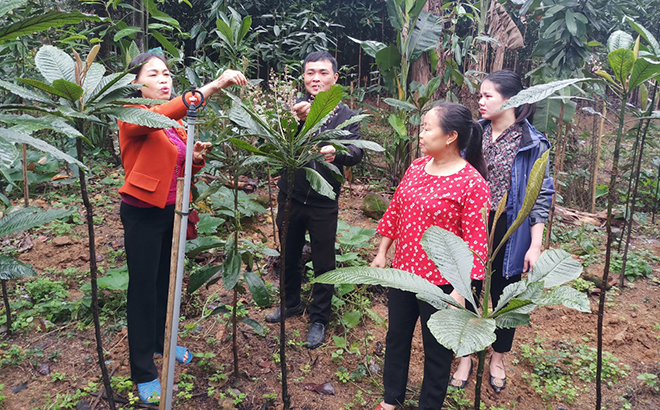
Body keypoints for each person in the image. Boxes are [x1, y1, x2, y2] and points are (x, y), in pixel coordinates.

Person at [117, 52, 247, 404]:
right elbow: (163, 116)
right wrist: (216, 85)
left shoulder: (173, 123)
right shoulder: (132, 116)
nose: (164, 79)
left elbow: (178, 165)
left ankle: (162, 341)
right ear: (135, 83)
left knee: (164, 283)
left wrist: (196, 155)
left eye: (168, 73)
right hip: (142, 214)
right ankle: (143, 369)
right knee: (142, 290)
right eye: (154, 74)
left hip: (170, 212)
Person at [372, 102, 490, 410]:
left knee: (437, 351)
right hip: (404, 273)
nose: (420, 134)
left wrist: (462, 291)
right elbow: (396, 211)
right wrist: (383, 251)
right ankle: (390, 400)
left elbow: (476, 243)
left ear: (450, 136)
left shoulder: (472, 183)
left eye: (427, 128)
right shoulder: (415, 167)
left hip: (443, 285)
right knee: (396, 338)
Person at [449, 70, 554, 393]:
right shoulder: (471, 134)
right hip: (472, 223)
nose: (480, 102)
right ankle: (465, 355)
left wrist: (535, 245)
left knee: (507, 298)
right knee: (467, 289)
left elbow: (540, 196)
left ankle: (497, 357)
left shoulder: (533, 142)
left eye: (487, 96)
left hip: (510, 230)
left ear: (510, 100)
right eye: (479, 96)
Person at [264, 51, 364, 349]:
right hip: (291, 194)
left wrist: (337, 152)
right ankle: (291, 302)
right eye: (310, 73)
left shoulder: (345, 114)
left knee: (324, 261)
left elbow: (357, 152)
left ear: (335, 77)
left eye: (322, 73)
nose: (315, 78)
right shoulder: (292, 109)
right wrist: (296, 119)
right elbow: (275, 140)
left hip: (324, 200)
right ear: (304, 77)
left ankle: (319, 318)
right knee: (289, 255)